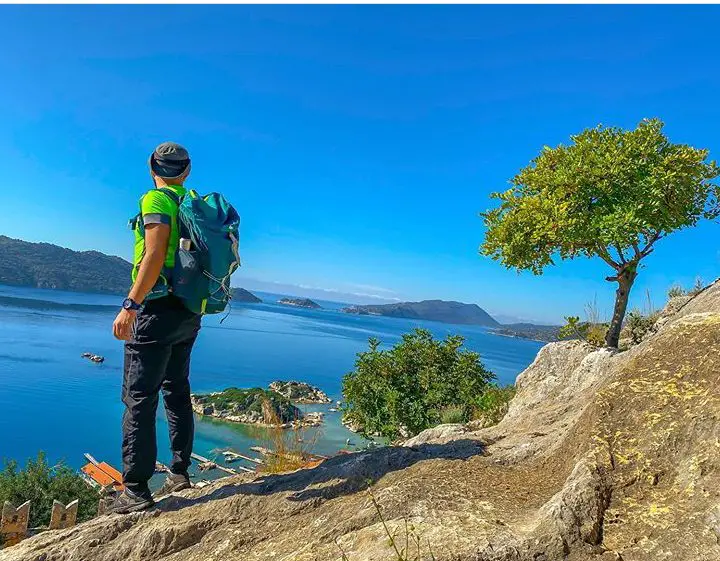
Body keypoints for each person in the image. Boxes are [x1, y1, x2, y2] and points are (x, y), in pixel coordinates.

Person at [107, 142, 202, 514]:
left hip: (157, 308)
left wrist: (130, 305)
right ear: (187, 170)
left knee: (139, 397)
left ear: (152, 168)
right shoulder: (194, 202)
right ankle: (180, 471)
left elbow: (154, 252)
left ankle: (135, 490)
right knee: (177, 389)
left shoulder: (157, 201)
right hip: (189, 311)